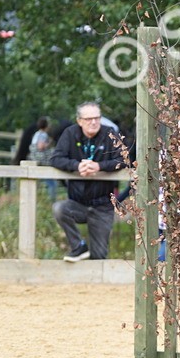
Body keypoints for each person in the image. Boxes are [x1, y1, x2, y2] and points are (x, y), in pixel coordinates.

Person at [50, 101, 130, 261]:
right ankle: (78, 246)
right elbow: (56, 159)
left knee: (99, 257)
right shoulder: (70, 134)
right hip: (77, 202)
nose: (93, 122)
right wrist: (77, 166)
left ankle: (94, 281)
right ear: (79, 121)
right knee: (59, 209)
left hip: (103, 205)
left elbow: (123, 160)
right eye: (88, 119)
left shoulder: (110, 134)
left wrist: (99, 166)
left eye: (97, 118)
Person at [30, 116, 58, 200]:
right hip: (42, 160)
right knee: (52, 183)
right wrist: (49, 143)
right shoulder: (43, 134)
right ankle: (52, 199)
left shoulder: (37, 133)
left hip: (35, 158)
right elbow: (40, 146)